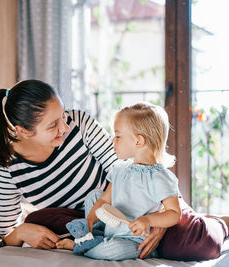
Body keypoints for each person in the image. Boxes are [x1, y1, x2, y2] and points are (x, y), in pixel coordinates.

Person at [0, 79, 229, 260]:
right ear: (22, 131)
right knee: (35, 221)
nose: (64, 127)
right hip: (83, 219)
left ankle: (219, 224)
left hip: (136, 202)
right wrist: (21, 232)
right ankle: (96, 238)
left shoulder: (80, 123)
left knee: (195, 243)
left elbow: (131, 169)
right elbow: (2, 235)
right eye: (53, 125)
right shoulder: (10, 168)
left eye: (63, 115)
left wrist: (158, 221)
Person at [56, 102, 182, 260]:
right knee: (94, 196)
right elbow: (104, 199)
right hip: (110, 228)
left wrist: (148, 220)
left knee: (110, 251)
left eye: (118, 136)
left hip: (133, 240)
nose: (112, 141)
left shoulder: (160, 177)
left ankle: (82, 246)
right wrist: (89, 221)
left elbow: (174, 214)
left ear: (138, 141)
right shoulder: (119, 169)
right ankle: (91, 238)